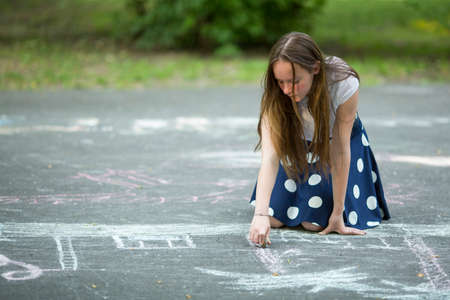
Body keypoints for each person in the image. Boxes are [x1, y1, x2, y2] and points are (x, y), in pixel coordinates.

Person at [248, 32, 391, 247]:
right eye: (281, 82)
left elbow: (341, 150)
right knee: (273, 218)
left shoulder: (343, 83)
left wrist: (337, 214)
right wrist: (259, 215)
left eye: (295, 82)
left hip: (338, 145)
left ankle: (335, 206)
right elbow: (270, 157)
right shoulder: (276, 95)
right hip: (299, 146)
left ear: (315, 69)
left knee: (315, 222)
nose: (287, 90)